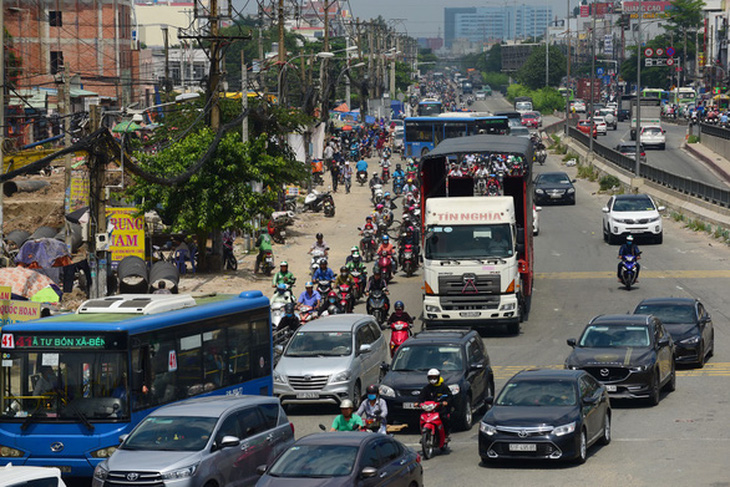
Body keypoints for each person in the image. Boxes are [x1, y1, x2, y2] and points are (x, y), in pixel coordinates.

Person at [417, 368, 453, 441]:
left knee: (444, 418)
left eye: (434, 377)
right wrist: (418, 403)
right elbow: (421, 397)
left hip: (440, 409)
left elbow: (449, 396)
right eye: (431, 378)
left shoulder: (443, 387)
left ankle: (445, 434)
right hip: (429, 409)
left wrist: (446, 402)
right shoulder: (427, 388)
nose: (433, 379)